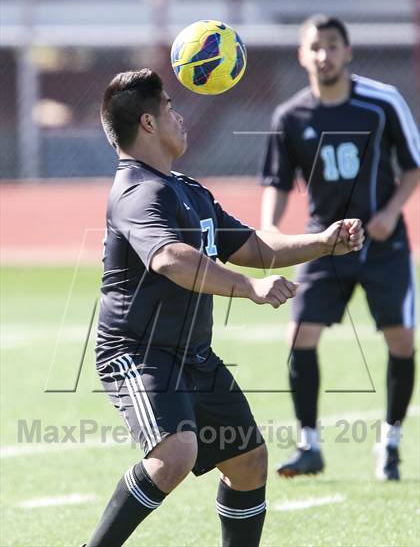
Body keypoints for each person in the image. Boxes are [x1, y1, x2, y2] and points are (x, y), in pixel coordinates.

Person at [83, 68, 364, 547]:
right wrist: (249, 289)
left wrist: (322, 243)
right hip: (138, 351)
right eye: (170, 107)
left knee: (249, 463)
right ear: (148, 124)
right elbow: (171, 258)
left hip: (192, 353)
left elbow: (255, 247)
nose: (180, 115)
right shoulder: (137, 191)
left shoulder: (186, 189)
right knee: (176, 454)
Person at [260, 15, 419, 481]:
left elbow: (412, 166)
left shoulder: (382, 102)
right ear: (302, 55)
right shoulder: (289, 116)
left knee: (401, 342)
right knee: (299, 337)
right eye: (315, 47)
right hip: (324, 243)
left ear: (348, 52)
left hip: (383, 245)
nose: (324, 55)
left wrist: (389, 213)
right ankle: (309, 446)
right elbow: (276, 180)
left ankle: (389, 443)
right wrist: (270, 226)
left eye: (333, 46)